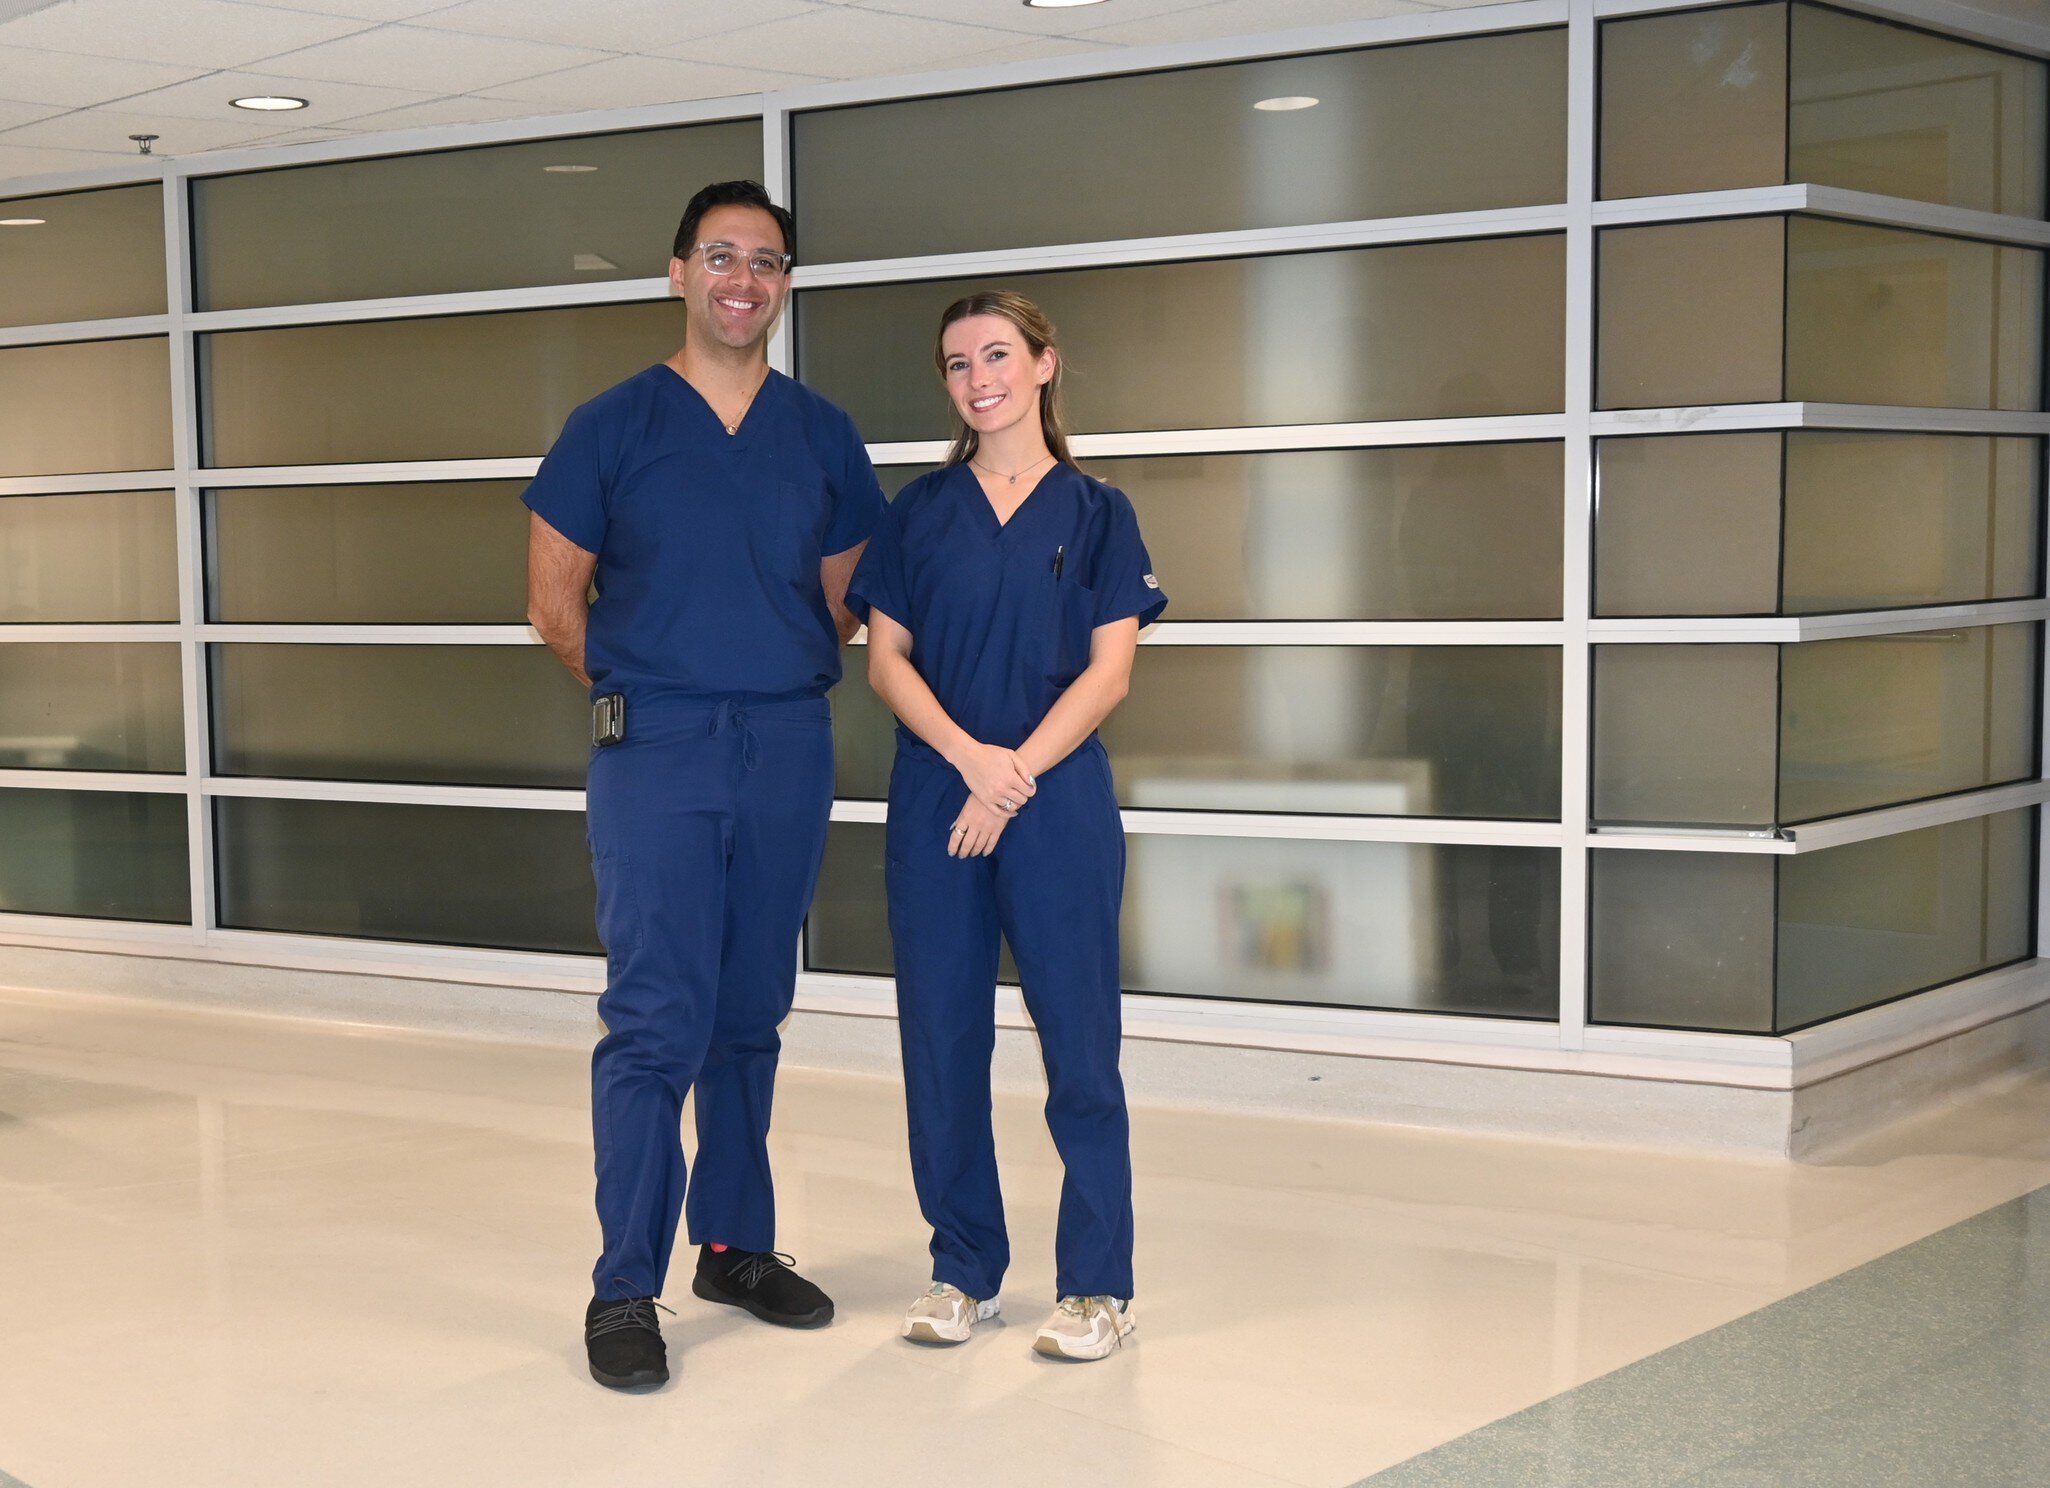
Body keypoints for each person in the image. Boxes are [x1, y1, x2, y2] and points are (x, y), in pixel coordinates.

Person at [524, 180, 883, 1391]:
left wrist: (755, 674)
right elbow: (550, 601)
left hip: (785, 744)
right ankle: (624, 1287)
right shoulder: (611, 425)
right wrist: (648, 689)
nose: (744, 279)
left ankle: (730, 1246)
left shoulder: (821, 433)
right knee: (653, 1022)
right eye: (721, 257)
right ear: (678, 273)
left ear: (785, 285)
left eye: (768, 262)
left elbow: (843, 601)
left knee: (747, 1012)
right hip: (659, 748)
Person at [844, 291, 1166, 1362]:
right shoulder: (919, 510)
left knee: (1079, 1043)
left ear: (1041, 366)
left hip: (1054, 797)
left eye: (995, 355)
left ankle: (1097, 1288)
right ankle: (962, 1270)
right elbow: (885, 658)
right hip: (941, 791)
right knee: (940, 1038)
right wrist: (970, 763)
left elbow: (1110, 671)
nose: (976, 376)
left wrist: (1013, 772)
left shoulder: (1098, 511)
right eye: (955, 362)